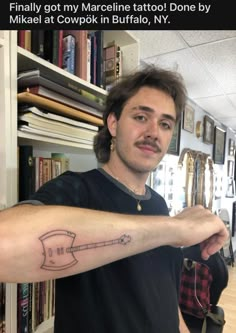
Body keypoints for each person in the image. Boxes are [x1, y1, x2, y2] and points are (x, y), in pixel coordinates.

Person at [0, 65, 228, 333]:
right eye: (141, 117)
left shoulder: (159, 205)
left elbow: (164, 292)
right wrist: (176, 228)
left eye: (165, 124)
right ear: (113, 123)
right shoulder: (76, 190)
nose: (154, 132)